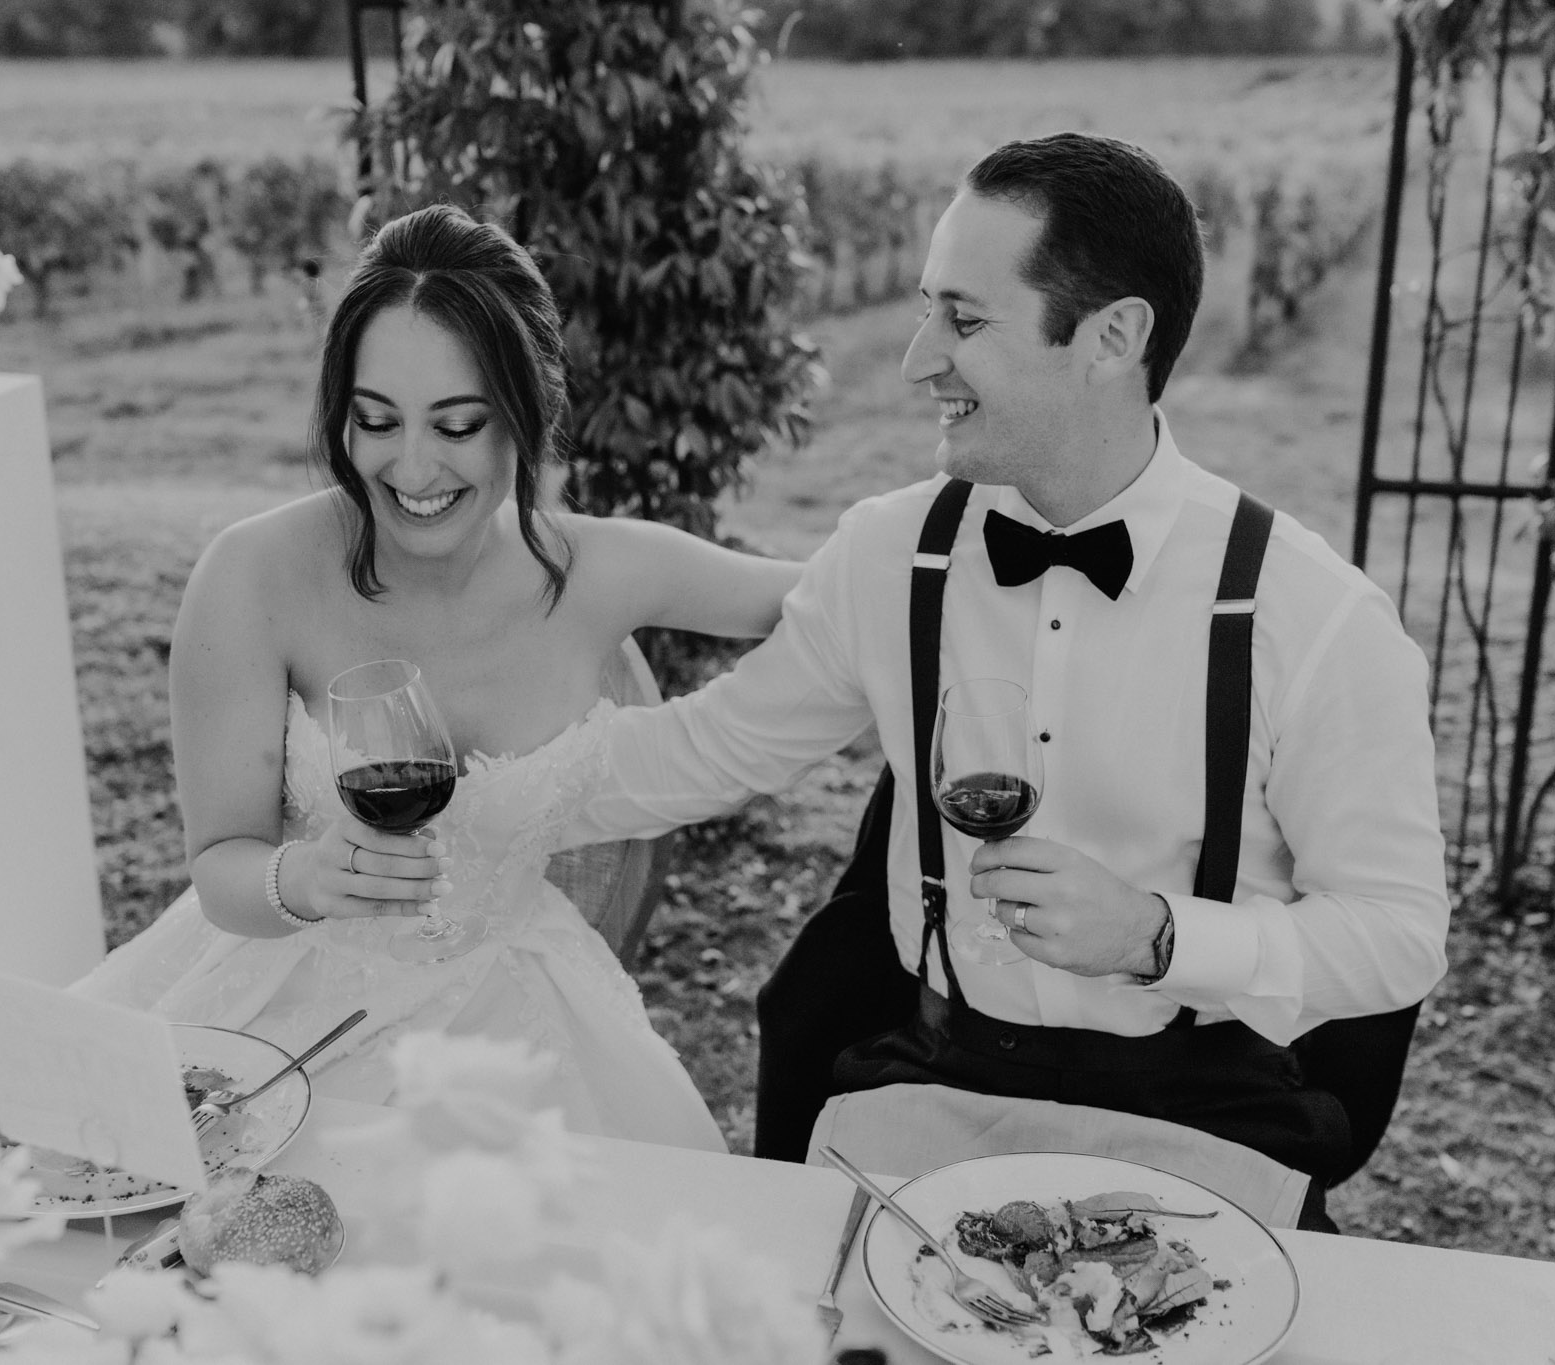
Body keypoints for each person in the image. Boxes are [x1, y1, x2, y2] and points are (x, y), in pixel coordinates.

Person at [547, 131, 1453, 1224]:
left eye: (963, 320)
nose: (915, 357)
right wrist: (474, 793)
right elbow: (700, 752)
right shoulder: (888, 557)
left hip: (1203, 1116)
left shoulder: (1313, 619)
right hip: (932, 1088)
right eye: (928, 307)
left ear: (1112, 337)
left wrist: (1159, 936)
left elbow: (1398, 936)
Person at [73, 203, 800, 1152]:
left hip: (519, 1024)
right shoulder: (253, 575)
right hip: (284, 1007)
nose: (410, 468)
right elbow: (222, 867)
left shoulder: (602, 570)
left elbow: (835, 598)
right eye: (375, 421)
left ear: (526, 414)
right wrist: (303, 877)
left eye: (458, 425)